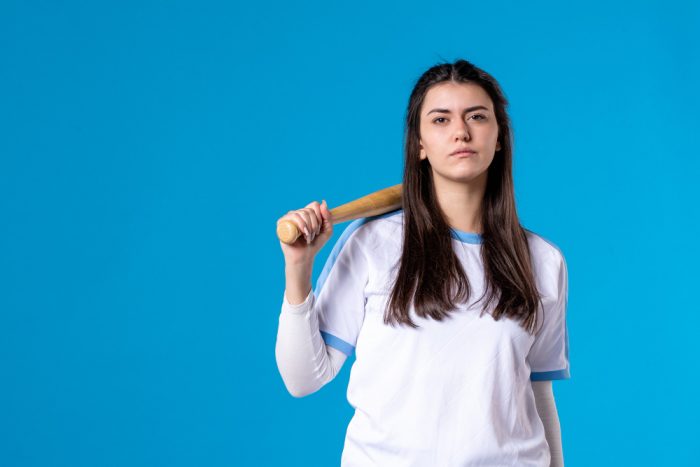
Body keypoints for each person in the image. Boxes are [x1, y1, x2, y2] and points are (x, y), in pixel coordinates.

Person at [275, 59, 569, 467]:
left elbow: (538, 394)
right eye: (440, 120)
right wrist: (298, 267)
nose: (461, 132)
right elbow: (302, 379)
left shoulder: (542, 259)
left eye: (477, 117)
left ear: (499, 137)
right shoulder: (371, 243)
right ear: (419, 145)